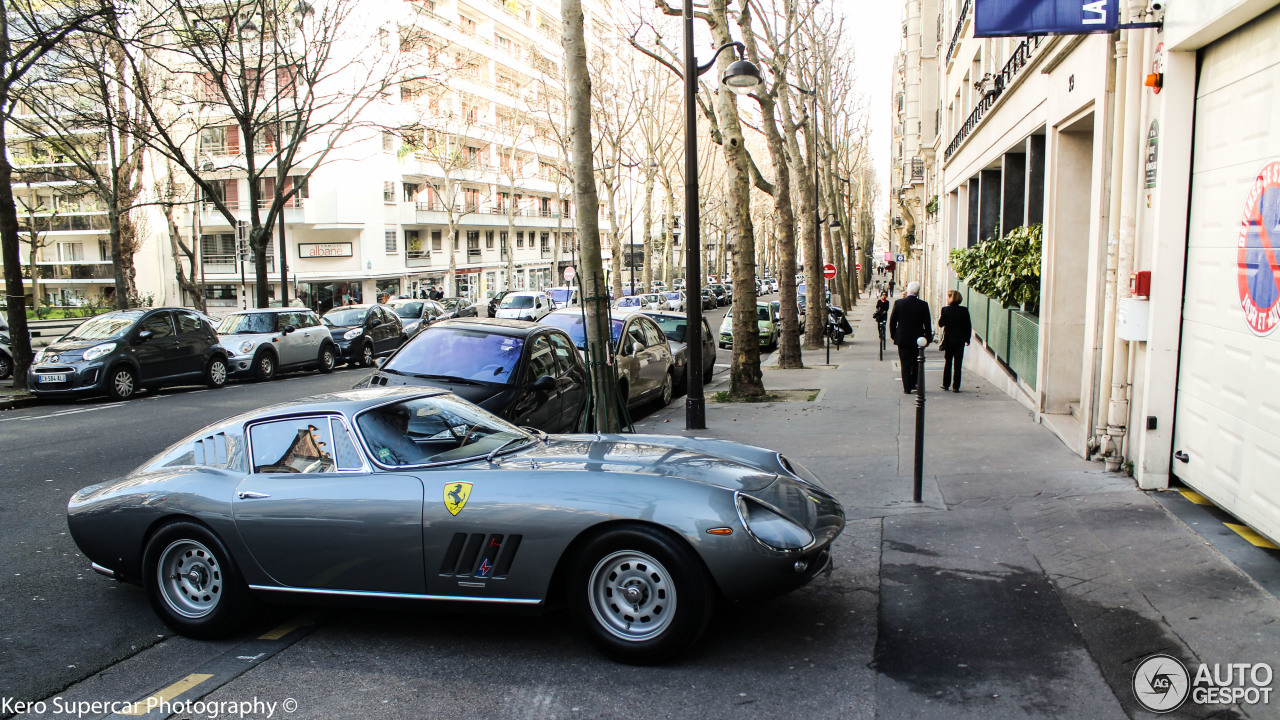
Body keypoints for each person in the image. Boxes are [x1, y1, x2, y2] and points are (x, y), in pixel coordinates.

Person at [888, 281, 933, 393]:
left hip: (902, 338)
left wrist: (894, 335)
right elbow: (927, 323)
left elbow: (892, 321)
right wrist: (928, 338)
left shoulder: (899, 303)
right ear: (918, 292)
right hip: (918, 339)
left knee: (905, 363)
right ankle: (914, 383)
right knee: (916, 362)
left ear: (908, 291)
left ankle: (907, 387)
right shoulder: (923, 305)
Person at [358, 404, 423, 466]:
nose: (408, 418)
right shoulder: (376, 446)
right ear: (385, 419)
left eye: (408, 413)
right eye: (401, 414)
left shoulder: (410, 443)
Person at [937, 289, 972, 392]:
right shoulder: (964, 310)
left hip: (949, 341)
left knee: (948, 362)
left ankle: (946, 384)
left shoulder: (945, 310)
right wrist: (967, 339)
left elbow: (941, 324)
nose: (947, 299)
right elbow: (968, 326)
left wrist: (943, 316)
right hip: (960, 341)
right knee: (958, 364)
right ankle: (956, 386)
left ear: (951, 298)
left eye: (948, 297)